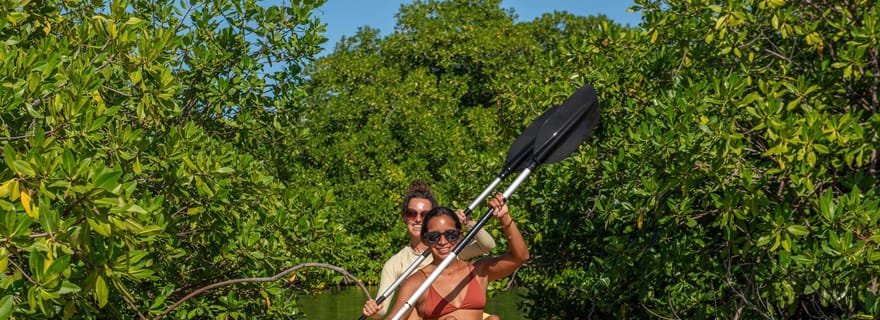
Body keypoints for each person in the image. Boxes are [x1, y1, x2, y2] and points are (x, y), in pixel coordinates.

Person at [362, 180, 496, 319]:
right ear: (404, 217)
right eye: (411, 213)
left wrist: (467, 223)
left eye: (424, 214)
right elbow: (383, 312)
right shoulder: (395, 263)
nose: (418, 219)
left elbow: (487, 245)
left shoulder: (448, 248)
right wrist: (374, 310)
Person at [381, 193, 528, 320]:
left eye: (450, 235)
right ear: (425, 240)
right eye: (434, 237)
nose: (443, 242)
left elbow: (520, 257)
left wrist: (505, 217)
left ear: (459, 237)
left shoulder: (478, 271)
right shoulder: (416, 283)